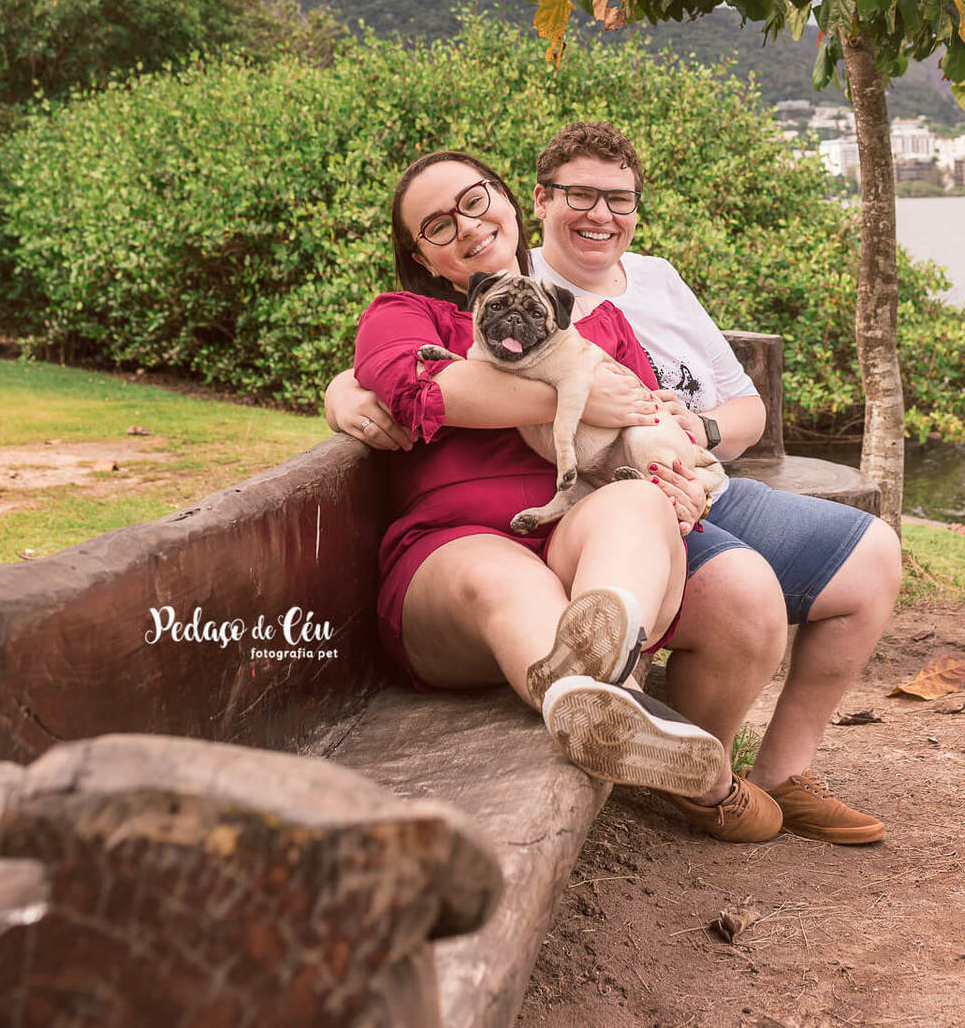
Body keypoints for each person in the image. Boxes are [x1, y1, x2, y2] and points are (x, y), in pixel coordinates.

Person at [329, 129, 902, 844]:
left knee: (710, 566)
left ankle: (635, 706)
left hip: (577, 534)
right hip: (455, 555)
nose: (468, 225)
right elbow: (421, 390)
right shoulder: (406, 315)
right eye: (439, 225)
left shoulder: (598, 318)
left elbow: (651, 426)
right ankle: (633, 712)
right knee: (500, 578)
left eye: (475, 201)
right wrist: (580, 393)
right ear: (422, 255)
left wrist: (678, 480)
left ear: (507, 199)